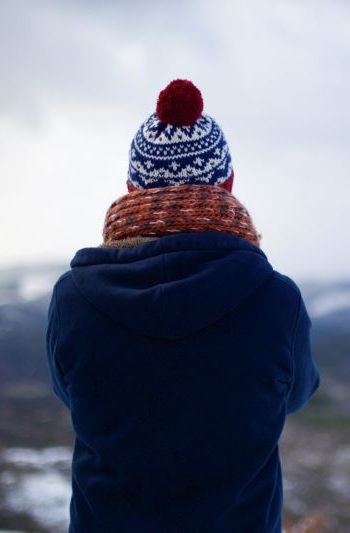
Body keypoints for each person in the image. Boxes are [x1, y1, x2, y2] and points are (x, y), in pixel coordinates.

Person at [45, 79, 320, 533]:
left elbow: (68, 392)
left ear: (131, 187)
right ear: (227, 184)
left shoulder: (72, 298)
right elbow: (295, 394)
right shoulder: (277, 301)